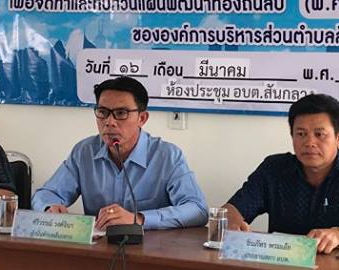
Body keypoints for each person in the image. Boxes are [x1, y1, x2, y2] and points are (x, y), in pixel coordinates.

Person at [224, 93, 339, 254]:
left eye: (319, 134)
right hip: (285, 267)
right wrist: (232, 223)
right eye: (301, 134)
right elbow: (232, 210)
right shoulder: (274, 169)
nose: (309, 142)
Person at [32, 76, 208, 230]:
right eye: (102, 112)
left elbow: (197, 209)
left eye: (121, 113)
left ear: (142, 118)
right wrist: (49, 208)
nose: (109, 122)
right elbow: (46, 194)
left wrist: (139, 219)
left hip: (151, 250)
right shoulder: (84, 151)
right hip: (98, 248)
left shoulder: (167, 156)